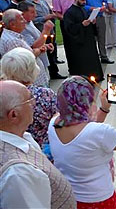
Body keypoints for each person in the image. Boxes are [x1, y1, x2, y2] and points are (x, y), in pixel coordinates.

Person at [48, 76, 116, 208]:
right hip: (99, 199)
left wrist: (104, 109)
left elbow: (86, 133)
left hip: (71, 196)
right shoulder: (98, 132)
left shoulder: (53, 123)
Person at [0, 80, 75, 209]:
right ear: (14, 115)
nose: (34, 104)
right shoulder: (19, 173)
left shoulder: (20, 136)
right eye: (29, 101)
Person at [0, 48, 58, 152]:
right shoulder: (45, 94)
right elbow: (59, 120)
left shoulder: (3, 96)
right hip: (45, 149)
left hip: (11, 148)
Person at [0, 9, 50, 87]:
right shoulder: (12, 41)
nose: (25, 21)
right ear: (12, 24)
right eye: (21, 19)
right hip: (32, 84)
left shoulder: (14, 36)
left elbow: (27, 50)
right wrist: (39, 50)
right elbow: (24, 60)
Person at [62, 0, 104, 82]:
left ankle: (95, 76)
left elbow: (87, 19)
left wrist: (92, 21)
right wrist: (81, 25)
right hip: (79, 43)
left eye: (85, 0)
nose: (84, 2)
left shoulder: (83, 9)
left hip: (88, 39)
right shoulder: (69, 12)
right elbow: (69, 28)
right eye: (82, 0)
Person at [26, 0, 64, 79]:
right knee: (43, 53)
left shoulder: (42, 1)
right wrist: (44, 18)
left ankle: (54, 72)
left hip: (50, 30)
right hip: (39, 32)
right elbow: (31, 19)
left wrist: (52, 16)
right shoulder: (28, 4)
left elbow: (50, 11)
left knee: (51, 51)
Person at [18, 2, 55, 81]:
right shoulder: (22, 27)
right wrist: (46, 30)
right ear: (22, 13)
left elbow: (36, 38)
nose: (35, 15)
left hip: (41, 60)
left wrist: (46, 45)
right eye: (32, 12)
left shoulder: (29, 22)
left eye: (35, 11)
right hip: (33, 65)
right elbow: (33, 46)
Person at [81, 0, 114, 64]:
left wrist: (104, 6)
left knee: (102, 37)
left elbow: (105, 1)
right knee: (91, 38)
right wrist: (91, 8)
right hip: (89, 17)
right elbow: (82, 5)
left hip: (100, 16)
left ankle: (103, 56)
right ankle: (92, 57)